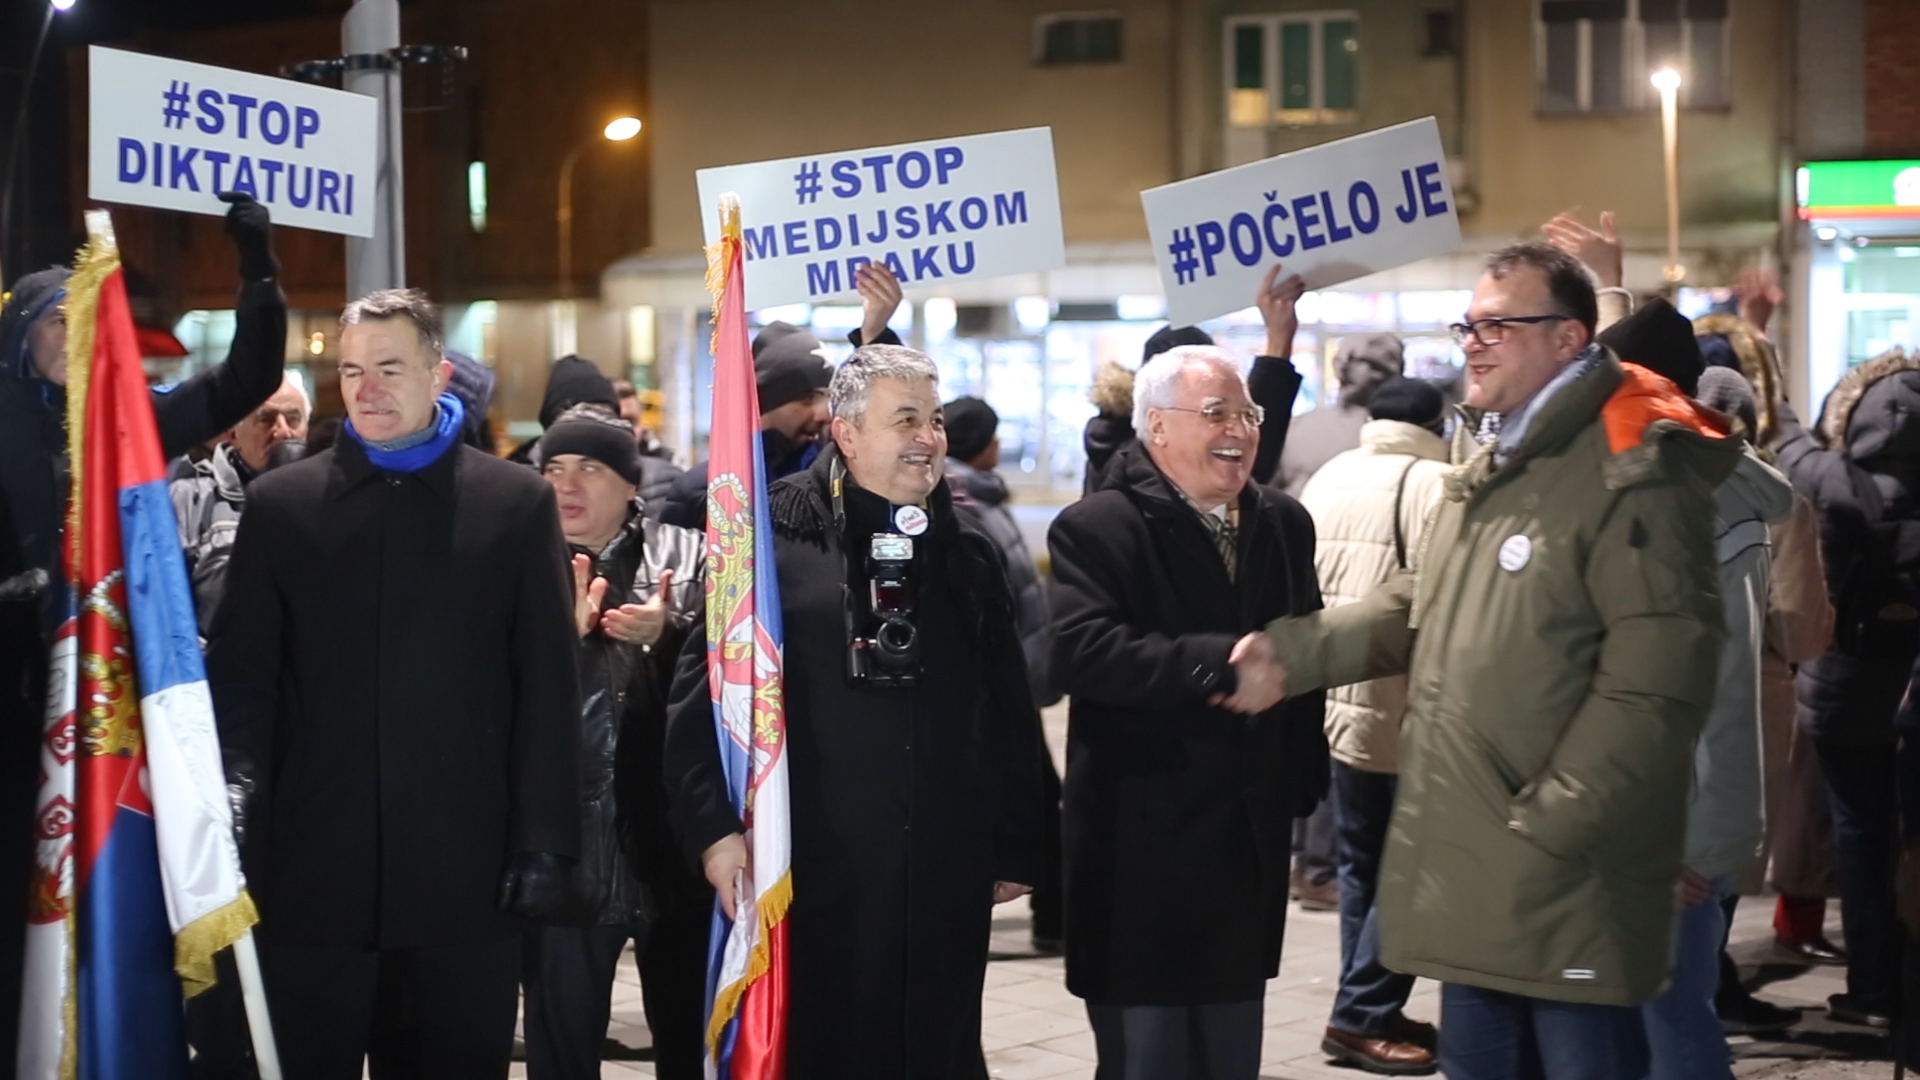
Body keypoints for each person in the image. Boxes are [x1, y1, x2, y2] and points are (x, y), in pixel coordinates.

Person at [1241, 242, 1737, 1079]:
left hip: (1565, 885)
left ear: (1569, 339)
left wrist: (1551, 824)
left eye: (1499, 324)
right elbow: (1417, 599)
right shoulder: (1497, 462)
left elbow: (1654, 683)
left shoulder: (1634, 472)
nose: (1473, 341)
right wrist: (1291, 655)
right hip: (1479, 883)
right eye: (1468, 324)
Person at [206, 288, 581, 1079]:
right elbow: (244, 683)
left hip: (466, 880)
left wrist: (545, 838)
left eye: (387, 369)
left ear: (437, 373)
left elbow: (546, 688)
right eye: (350, 371)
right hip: (313, 876)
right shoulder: (283, 506)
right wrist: (237, 799)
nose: (366, 390)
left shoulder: (515, 504)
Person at [664, 344, 1044, 1078]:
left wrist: (1018, 841)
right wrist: (713, 833)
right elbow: (701, 697)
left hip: (942, 870)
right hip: (814, 871)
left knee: (935, 1045)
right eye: (906, 419)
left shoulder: (966, 553)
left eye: (933, 419)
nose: (928, 437)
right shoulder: (771, 545)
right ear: (846, 432)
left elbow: (1006, 708)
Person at [0, 191, 287, 1070]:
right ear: (20, 335)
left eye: (85, 319)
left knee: (108, 900)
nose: (73, 334)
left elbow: (245, 379)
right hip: (13, 717)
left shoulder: (129, 418)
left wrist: (258, 266)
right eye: (56, 319)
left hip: (108, 720)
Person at [1048, 345, 1327, 1080]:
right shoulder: (1099, 525)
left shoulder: (1283, 524)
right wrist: (1221, 662)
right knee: (1150, 1058)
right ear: (1157, 428)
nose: (1238, 428)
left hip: (1247, 840)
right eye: (1215, 413)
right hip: (1141, 845)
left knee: (1232, 1051)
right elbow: (1081, 651)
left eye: (1247, 413)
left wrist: (1303, 777)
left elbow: (1306, 648)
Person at [1594, 305, 1795, 1078]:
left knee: (1666, 1018)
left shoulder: (1670, 489)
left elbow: (1669, 680)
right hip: (1708, 803)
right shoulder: (1725, 476)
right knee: (1679, 1008)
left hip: (1668, 814)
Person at [524, 404, 707, 1080]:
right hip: (565, 851)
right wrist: (552, 642)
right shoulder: (516, 562)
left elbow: (749, 673)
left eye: (590, 469)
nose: (565, 484)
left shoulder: (688, 557)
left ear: (632, 482)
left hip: (674, 845)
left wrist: (671, 632)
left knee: (689, 1041)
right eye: (553, 468)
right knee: (560, 1050)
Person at [1296, 375, 1450, 1076]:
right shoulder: (1436, 484)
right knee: (1412, 872)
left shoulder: (1329, 475)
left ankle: (1371, 1007)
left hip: (1336, 701)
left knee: (1364, 864)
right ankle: (1361, 1013)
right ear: (1435, 421)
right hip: (1404, 706)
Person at [1771, 344, 1920, 1030]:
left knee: (1862, 840)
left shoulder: (1831, 478)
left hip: (1845, 688)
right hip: (1910, 690)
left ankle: (1873, 989)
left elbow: (1785, 438)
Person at [943, 395, 1065, 951]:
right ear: (984, 445)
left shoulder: (983, 496)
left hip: (1014, 674)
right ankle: (1055, 911)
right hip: (996, 684)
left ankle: (1054, 907)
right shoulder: (964, 503)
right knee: (1039, 792)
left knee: (1042, 790)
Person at [658, 263, 905, 528]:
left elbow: (891, 412)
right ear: (764, 404)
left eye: (829, 397)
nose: (824, 412)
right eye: (807, 399)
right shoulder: (705, 489)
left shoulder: (841, 475)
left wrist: (875, 334)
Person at [1083, 266, 1306, 495]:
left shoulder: (1113, 447)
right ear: (1158, 423)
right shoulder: (1137, 470)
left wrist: (1279, 340)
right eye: (1213, 412)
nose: (1236, 432)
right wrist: (1278, 341)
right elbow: (1247, 471)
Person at [170, 374, 312, 635]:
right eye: (266, 419)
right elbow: (166, 610)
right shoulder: (189, 499)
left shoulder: (329, 498)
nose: (282, 432)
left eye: (293, 419)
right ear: (233, 434)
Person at [1275, 332, 1405, 498]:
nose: (1343, 369)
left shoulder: (1398, 434)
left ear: (1386, 372)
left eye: (1357, 361)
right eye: (1340, 359)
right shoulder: (1298, 425)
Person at [506, 354, 624, 464]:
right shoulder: (518, 480)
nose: (588, 431)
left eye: (601, 416)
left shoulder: (631, 471)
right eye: (576, 420)